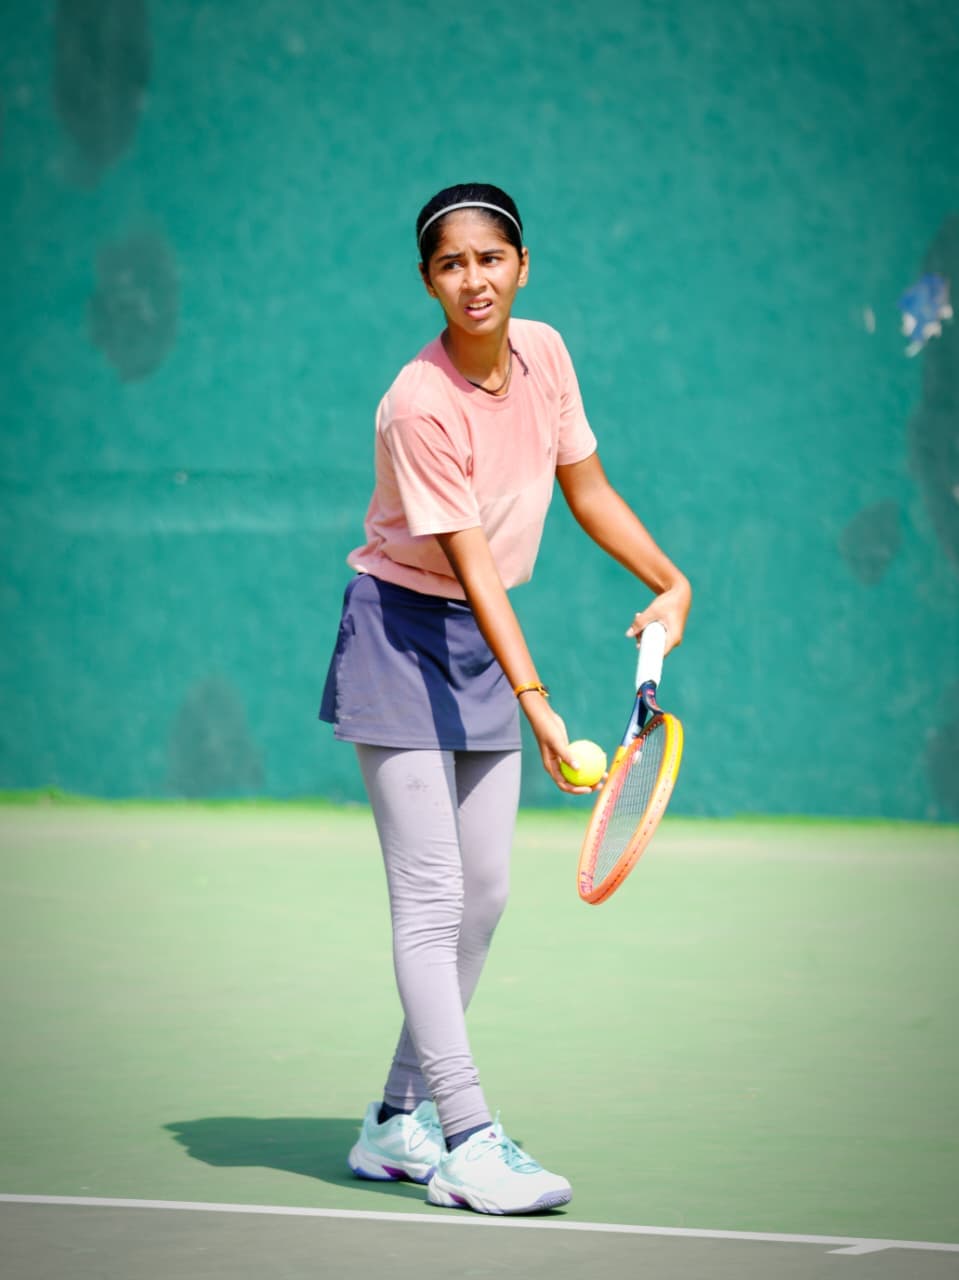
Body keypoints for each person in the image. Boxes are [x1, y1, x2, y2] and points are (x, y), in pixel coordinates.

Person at [319, 182, 691, 1215]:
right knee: (431, 893)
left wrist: (667, 578)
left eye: (489, 259)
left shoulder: (547, 355)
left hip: (481, 651)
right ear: (427, 281)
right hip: (400, 634)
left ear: (520, 264)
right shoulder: (415, 401)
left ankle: (394, 1120)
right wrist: (539, 705)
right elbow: (475, 565)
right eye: (449, 265)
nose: (472, 280)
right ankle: (468, 1135)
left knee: (483, 895)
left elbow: (588, 489)